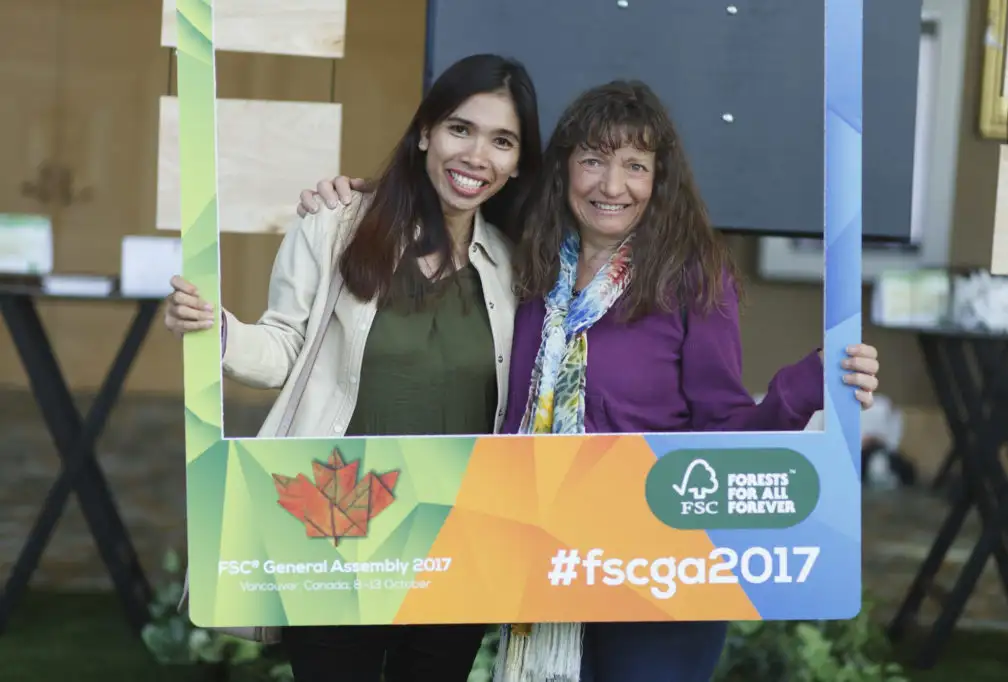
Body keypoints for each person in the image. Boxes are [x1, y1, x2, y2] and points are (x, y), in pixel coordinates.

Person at [296, 79, 880, 682]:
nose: (611, 185)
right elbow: (453, 193)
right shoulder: (525, 263)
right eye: (593, 160)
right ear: (564, 170)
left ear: (660, 179)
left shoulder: (690, 280)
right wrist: (359, 197)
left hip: (657, 568)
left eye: (634, 165)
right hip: (542, 560)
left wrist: (806, 385)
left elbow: (723, 432)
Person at [163, 53, 543, 682]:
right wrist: (217, 331)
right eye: (460, 129)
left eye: (502, 141)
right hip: (338, 526)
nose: (477, 155)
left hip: (460, 533)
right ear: (424, 132)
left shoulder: (512, 264)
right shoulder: (335, 228)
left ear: (517, 164)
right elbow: (283, 347)